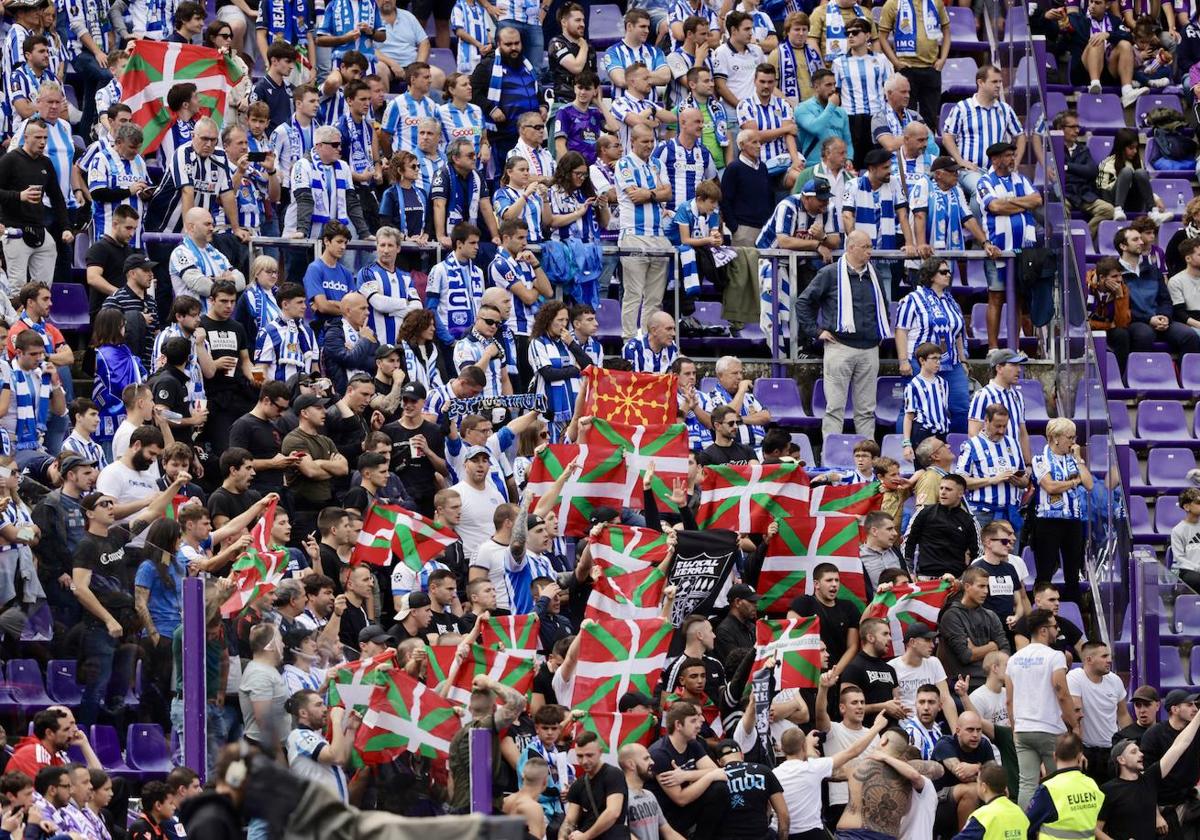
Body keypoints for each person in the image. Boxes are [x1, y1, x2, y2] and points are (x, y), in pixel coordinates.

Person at [797, 229, 891, 441]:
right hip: (840, 347)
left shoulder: (873, 273)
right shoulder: (830, 273)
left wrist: (882, 330)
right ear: (851, 248)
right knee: (835, 408)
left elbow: (883, 305)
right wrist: (816, 331)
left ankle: (868, 456)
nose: (870, 252)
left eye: (870, 246)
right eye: (865, 247)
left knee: (867, 410)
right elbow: (803, 302)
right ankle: (832, 456)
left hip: (869, 348)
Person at [1006, 608, 1077, 808]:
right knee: (1060, 782)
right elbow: (1062, 692)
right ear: (1044, 630)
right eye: (1055, 626)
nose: (1058, 630)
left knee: (1027, 783)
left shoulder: (1013, 659)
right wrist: (1075, 725)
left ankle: (1026, 831)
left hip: (1023, 730)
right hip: (1050, 729)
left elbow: (1009, 701)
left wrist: (1014, 729)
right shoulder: (1055, 656)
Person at [975, 141, 1041, 350]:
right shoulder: (985, 182)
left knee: (1017, 298)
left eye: (1013, 155)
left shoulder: (1021, 178)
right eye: (1007, 156)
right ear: (995, 160)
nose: (1013, 159)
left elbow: (1037, 200)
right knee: (996, 295)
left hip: (1023, 249)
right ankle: (993, 348)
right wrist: (1022, 203)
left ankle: (1014, 346)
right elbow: (993, 206)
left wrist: (1009, 204)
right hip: (998, 248)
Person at [895, 257, 970, 437]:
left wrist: (963, 360)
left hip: (951, 363)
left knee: (961, 407)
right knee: (912, 408)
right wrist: (903, 360)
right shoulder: (912, 299)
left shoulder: (951, 301)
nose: (948, 275)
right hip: (919, 361)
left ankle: (955, 445)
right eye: (943, 272)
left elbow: (958, 332)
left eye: (949, 271)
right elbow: (901, 330)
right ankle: (904, 446)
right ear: (931, 276)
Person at [1103, 704, 1200, 840]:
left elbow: (1179, 745)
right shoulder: (1108, 790)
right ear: (1121, 760)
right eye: (1133, 752)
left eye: (1139, 750)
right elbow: (1096, 829)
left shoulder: (1150, 778)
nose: (1141, 754)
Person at [616, 124, 673, 341]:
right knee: (633, 293)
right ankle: (629, 341)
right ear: (633, 141)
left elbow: (668, 193)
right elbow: (634, 196)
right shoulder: (624, 164)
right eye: (645, 141)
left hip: (658, 235)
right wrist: (656, 193)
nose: (650, 145)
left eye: (652, 141)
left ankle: (651, 340)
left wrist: (648, 193)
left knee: (655, 297)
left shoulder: (657, 163)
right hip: (634, 234)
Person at [0, 118, 72, 287]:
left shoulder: (45, 162)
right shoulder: (10, 160)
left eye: (45, 138)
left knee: (43, 286)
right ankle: (15, 313)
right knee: (17, 285)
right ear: (26, 137)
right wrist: (19, 196)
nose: (42, 142)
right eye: (38, 138)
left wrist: (66, 227)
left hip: (39, 229)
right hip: (14, 229)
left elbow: (57, 198)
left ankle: (39, 313)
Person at [1114, 225, 1200, 359]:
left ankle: (1187, 377)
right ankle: (1140, 376)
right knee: (1144, 335)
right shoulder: (1115, 273)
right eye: (1135, 240)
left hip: (1160, 319)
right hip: (1135, 321)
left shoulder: (1153, 270)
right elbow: (1121, 307)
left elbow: (1165, 299)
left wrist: (1165, 316)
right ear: (1123, 246)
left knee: (1189, 336)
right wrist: (1149, 319)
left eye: (1140, 239)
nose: (1141, 242)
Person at [834, 726, 934, 839]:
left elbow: (820, 769)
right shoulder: (908, 773)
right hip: (885, 836)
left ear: (883, 740)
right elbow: (937, 770)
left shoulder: (856, 765)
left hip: (851, 834)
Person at [941, 65, 1024, 199]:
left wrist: (1016, 161)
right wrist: (960, 161)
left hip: (999, 170)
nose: (998, 86)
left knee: (1021, 192)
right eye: (994, 82)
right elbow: (947, 137)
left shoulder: (1005, 109)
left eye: (1000, 82)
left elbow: (1020, 136)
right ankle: (976, 221)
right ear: (980, 82)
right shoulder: (963, 107)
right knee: (981, 189)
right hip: (970, 170)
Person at [938, 566, 1010, 694]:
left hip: (993, 682)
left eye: (987, 586)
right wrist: (993, 646)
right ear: (967, 587)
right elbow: (966, 656)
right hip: (965, 685)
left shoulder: (991, 615)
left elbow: (1005, 650)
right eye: (981, 586)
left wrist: (976, 651)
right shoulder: (951, 616)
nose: (986, 591)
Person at [1025, 734, 1103, 840]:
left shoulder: (1049, 788)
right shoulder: (1092, 785)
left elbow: (1027, 824)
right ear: (1080, 756)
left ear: (1054, 756)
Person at [427, 222, 487, 345]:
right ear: (459, 244)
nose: (477, 247)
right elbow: (430, 309)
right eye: (472, 243)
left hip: (475, 341)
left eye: (477, 243)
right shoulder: (439, 269)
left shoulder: (478, 272)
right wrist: (448, 340)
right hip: (449, 341)